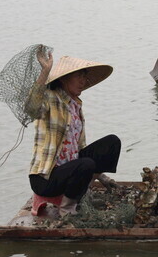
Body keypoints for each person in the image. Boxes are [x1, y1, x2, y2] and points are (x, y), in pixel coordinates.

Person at [25, 50, 121, 215]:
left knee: (112, 142)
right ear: (64, 79)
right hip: (45, 178)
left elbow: (80, 147)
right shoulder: (50, 98)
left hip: (69, 169)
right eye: (79, 76)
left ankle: (81, 190)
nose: (83, 81)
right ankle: (67, 207)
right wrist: (45, 72)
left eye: (84, 76)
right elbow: (31, 108)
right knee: (86, 164)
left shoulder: (75, 105)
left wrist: (102, 177)